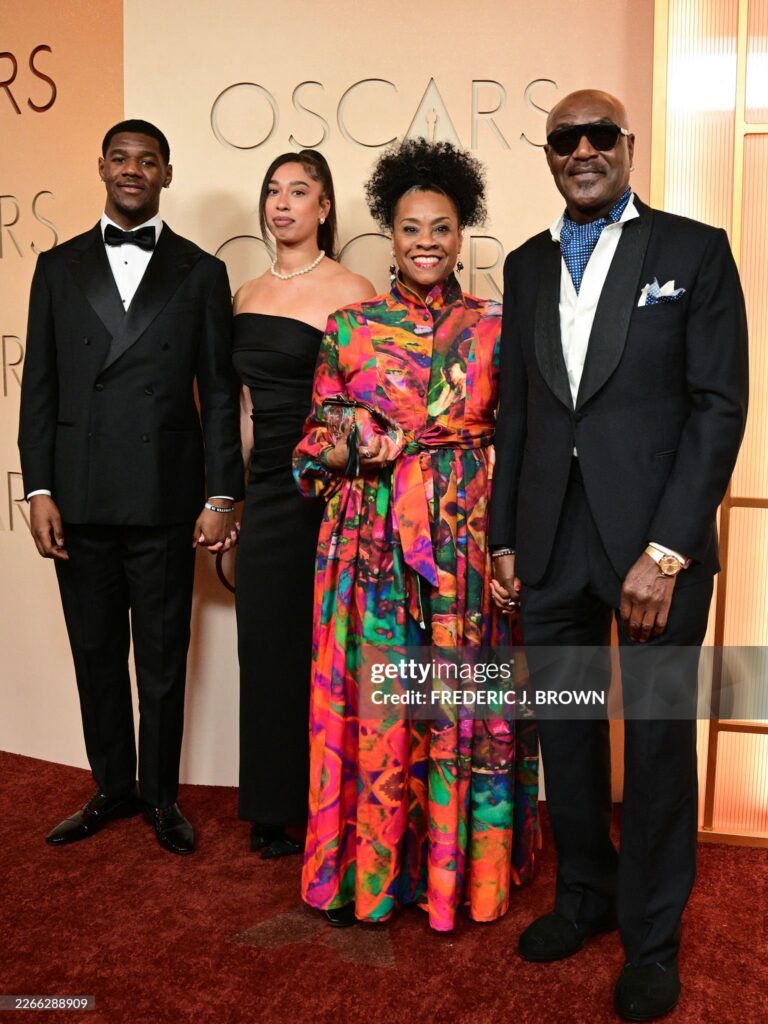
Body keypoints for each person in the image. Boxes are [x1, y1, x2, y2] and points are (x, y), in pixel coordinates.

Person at [489, 90, 748, 1021]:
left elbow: (719, 406)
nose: (585, 150)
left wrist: (669, 549)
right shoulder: (525, 264)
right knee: (566, 731)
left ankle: (653, 937)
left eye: (602, 135)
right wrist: (504, 534)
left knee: (658, 741)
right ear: (550, 154)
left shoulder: (694, 250)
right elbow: (519, 411)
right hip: (550, 542)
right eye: (567, 139)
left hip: (653, 552)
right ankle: (585, 896)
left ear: (628, 147)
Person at [294, 138, 539, 931]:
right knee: (378, 706)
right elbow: (311, 451)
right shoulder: (349, 327)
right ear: (389, 234)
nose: (425, 242)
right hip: (369, 548)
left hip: (467, 544)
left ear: (462, 235)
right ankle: (369, 876)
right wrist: (361, 441)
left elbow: (526, 439)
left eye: (441, 227)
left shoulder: (500, 327)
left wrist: (512, 544)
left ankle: (461, 878)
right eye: (410, 228)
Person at [18, 119, 243, 856]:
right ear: (102, 167)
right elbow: (40, 387)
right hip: (77, 496)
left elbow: (218, 391)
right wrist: (38, 489)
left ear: (166, 174)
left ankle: (160, 797)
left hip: (163, 498)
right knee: (95, 653)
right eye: (120, 158)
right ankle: (111, 786)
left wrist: (221, 495)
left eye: (148, 160)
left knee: (163, 659)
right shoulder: (57, 267)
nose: (133, 170)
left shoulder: (201, 271)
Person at [233, 149, 374, 858]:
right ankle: (271, 807)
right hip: (264, 492)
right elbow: (245, 405)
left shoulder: (353, 289)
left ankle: (334, 803)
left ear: (325, 207)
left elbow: (366, 404)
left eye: (298, 191)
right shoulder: (246, 293)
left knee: (329, 650)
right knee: (264, 647)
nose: (282, 203)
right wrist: (234, 498)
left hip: (325, 491)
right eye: (273, 191)